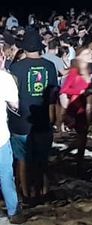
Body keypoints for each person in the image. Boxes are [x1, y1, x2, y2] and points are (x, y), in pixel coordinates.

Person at [6, 29, 60, 205]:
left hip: (20, 120)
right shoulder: (49, 66)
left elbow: (11, 95)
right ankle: (42, 190)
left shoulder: (15, 68)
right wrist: (54, 118)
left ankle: (25, 192)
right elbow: (53, 95)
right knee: (42, 159)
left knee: (22, 159)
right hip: (43, 119)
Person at [0, 50, 23, 222]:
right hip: (0, 136)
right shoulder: (5, 78)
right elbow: (15, 105)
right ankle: (13, 211)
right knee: (6, 175)